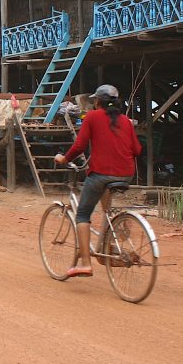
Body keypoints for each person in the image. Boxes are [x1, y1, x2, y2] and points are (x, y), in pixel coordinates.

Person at [53, 84, 141, 278]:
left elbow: (79, 146)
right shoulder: (125, 121)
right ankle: (107, 242)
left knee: (83, 215)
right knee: (106, 210)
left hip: (101, 174)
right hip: (126, 174)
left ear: (97, 102)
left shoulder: (92, 117)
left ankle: (85, 263)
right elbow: (137, 150)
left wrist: (64, 159)